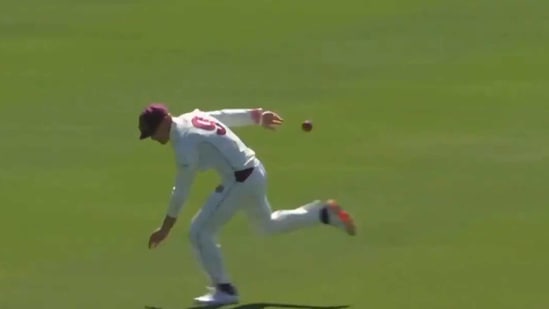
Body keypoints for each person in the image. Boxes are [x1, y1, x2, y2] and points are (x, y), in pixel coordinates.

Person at [138, 103, 356, 306]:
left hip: (239, 181)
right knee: (267, 225)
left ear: (165, 120)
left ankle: (225, 289)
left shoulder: (184, 144)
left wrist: (166, 227)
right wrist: (256, 116)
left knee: (199, 232)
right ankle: (323, 213)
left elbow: (181, 190)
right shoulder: (192, 117)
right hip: (255, 170)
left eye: (152, 132)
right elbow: (224, 116)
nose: (153, 139)